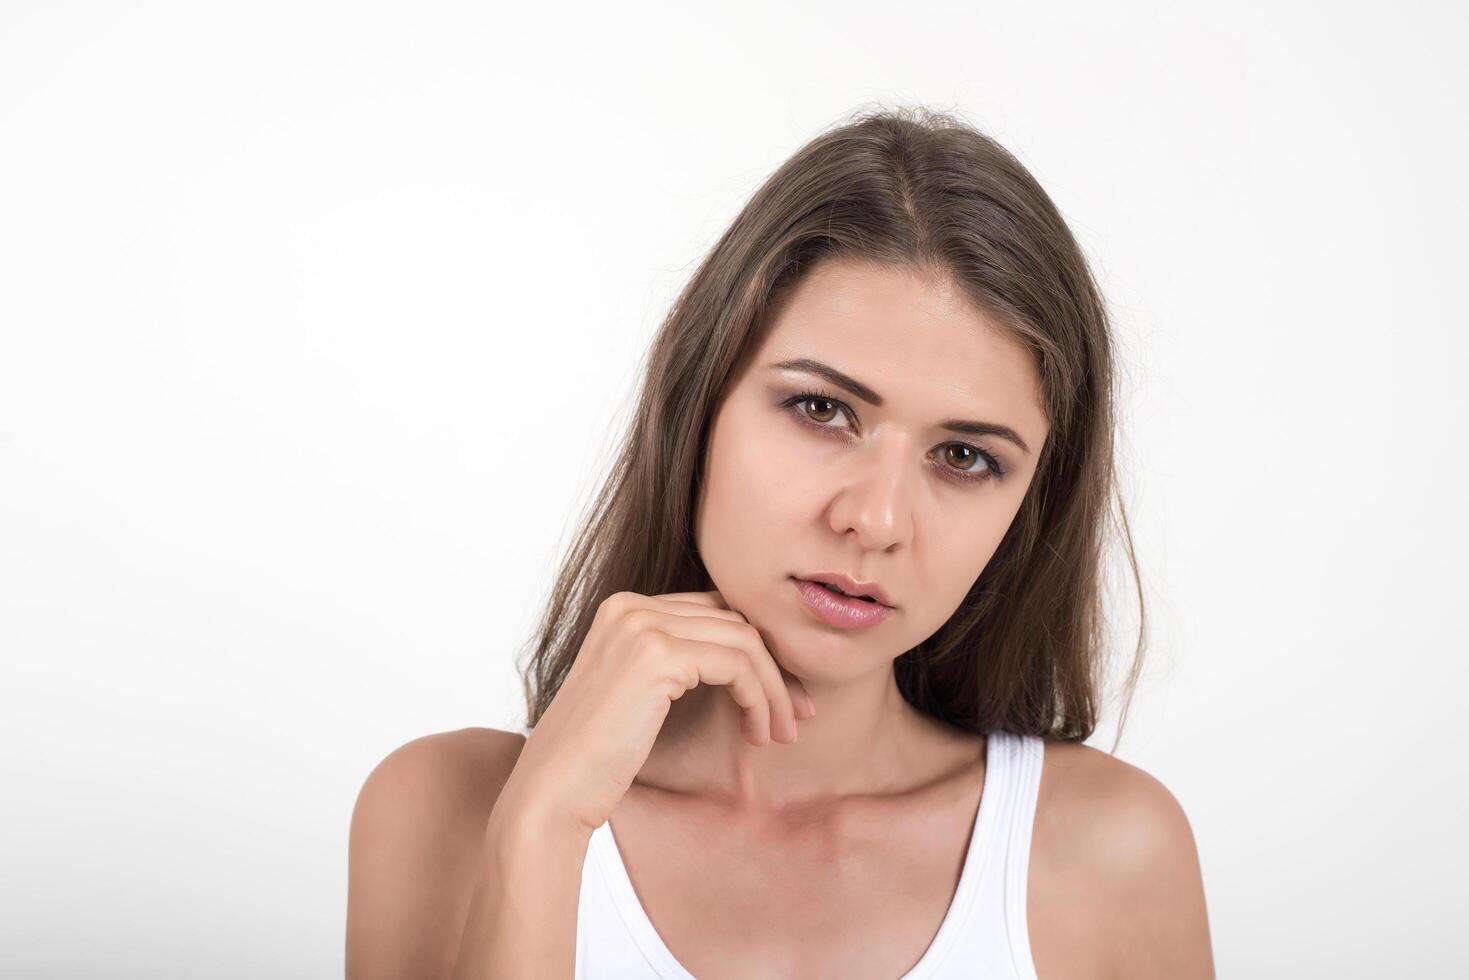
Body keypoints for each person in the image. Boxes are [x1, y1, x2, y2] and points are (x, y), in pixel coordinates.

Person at [346, 105, 1214, 979]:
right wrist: (541, 827)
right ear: (701, 404)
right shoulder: (446, 812)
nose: (874, 521)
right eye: (822, 410)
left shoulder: (1108, 853)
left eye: (963, 457)